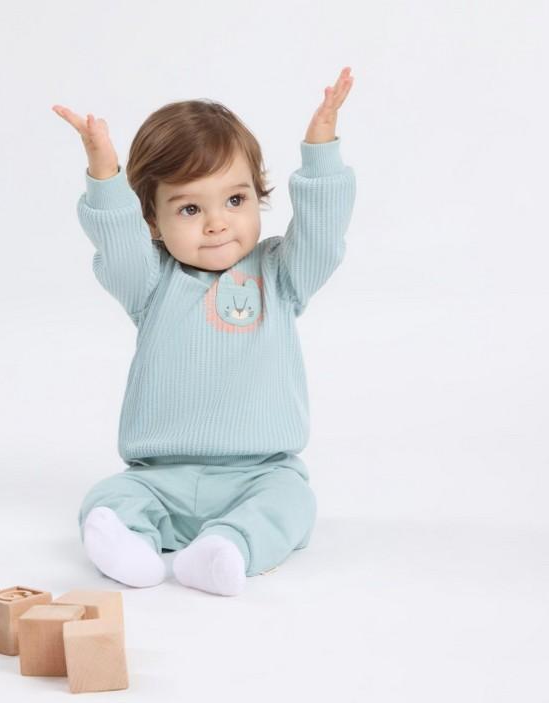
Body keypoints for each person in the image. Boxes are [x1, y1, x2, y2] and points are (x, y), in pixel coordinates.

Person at [51, 67, 356, 596]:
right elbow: (118, 242)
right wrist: (104, 173)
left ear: (257, 196)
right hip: (158, 477)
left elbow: (323, 235)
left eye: (235, 201)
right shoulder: (151, 282)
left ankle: (227, 548)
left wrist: (321, 151)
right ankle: (130, 547)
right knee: (107, 500)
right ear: (152, 221)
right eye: (190, 208)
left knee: (293, 504)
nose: (217, 223)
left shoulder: (280, 274)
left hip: (261, 474)